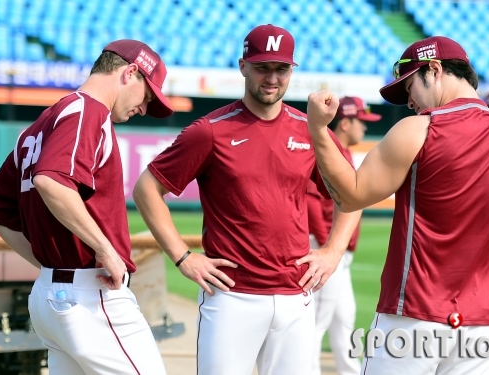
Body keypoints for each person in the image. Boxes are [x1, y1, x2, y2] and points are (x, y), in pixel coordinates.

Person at [306, 35, 489, 374]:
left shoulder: (420, 128)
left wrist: (319, 129)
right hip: (479, 331)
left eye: (409, 88)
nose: (409, 102)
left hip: (410, 321)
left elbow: (350, 195)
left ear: (434, 70)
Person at [132, 24, 359, 375]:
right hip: (231, 298)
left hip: (294, 297)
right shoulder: (210, 131)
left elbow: (353, 192)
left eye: (281, 69)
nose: (272, 78)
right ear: (242, 66)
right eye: (262, 67)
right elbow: (147, 188)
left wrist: (333, 252)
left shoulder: (309, 129)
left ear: (292, 70)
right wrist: (183, 258)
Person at [0, 39, 174, 375]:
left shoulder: (41, 124)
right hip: (90, 296)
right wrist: (104, 248)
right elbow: (51, 180)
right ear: (130, 72)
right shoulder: (87, 110)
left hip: (53, 295)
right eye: (147, 96)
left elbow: (0, 206)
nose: (145, 109)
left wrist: (48, 264)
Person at [308, 96, 381, 375]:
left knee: (344, 320)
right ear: (346, 122)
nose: (364, 128)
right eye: (361, 122)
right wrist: (329, 244)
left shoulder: (343, 153)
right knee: (317, 322)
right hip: (328, 250)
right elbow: (311, 200)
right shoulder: (329, 152)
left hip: (339, 254)